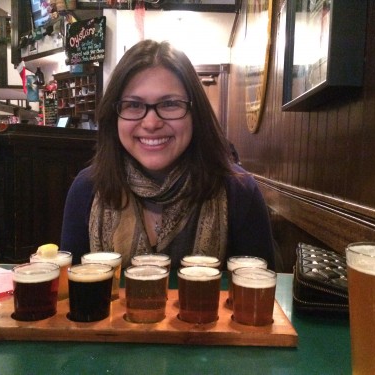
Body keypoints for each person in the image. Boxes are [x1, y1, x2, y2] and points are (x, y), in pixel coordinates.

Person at [60, 39, 276, 270]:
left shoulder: (240, 192)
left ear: (196, 113)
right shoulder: (87, 189)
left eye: (170, 104)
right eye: (133, 105)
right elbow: (69, 297)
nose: (151, 123)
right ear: (115, 116)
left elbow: (260, 295)